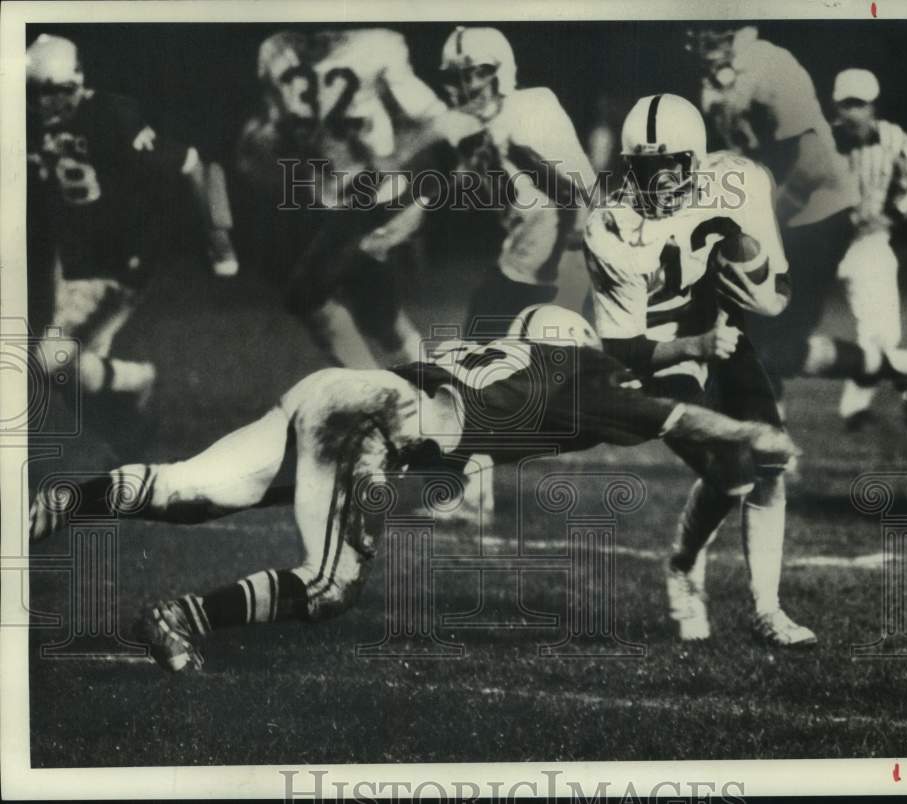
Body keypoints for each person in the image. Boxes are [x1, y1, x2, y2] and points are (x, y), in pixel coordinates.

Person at [29, 306, 797, 672]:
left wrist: (692, 341)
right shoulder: (574, 376)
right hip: (374, 419)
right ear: (578, 348)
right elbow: (674, 412)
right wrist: (752, 434)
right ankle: (179, 616)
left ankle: (56, 504)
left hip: (335, 388)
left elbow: (624, 346)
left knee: (186, 490)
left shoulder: (517, 351)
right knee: (332, 586)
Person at [584, 94, 817, 647]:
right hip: (659, 352)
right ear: (627, 168)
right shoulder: (609, 225)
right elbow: (623, 349)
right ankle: (684, 568)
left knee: (771, 455)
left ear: (696, 161)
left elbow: (777, 292)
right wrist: (699, 344)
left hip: (716, 329)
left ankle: (767, 608)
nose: (658, 182)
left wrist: (761, 292)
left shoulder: (736, 180)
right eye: (644, 169)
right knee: (732, 471)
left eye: (671, 168)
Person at [690, 25, 907, 406]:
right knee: (763, 348)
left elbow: (811, 167)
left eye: (717, 29)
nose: (703, 38)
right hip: (788, 215)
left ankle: (768, 457)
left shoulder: (770, 66)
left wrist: (766, 222)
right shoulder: (719, 81)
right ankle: (898, 365)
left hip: (814, 217)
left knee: (765, 350)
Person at [26, 34, 239, 407]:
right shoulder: (30, 122)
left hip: (116, 261)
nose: (42, 103)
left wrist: (218, 237)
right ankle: (131, 390)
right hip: (74, 258)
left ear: (76, 81)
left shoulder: (112, 116)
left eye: (53, 91)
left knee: (50, 362)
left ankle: (132, 386)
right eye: (34, 92)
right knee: (73, 370)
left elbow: (193, 164)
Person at [237, 29, 466, 368]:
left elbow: (441, 121)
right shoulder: (274, 50)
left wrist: (398, 156)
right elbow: (279, 126)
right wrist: (264, 141)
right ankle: (424, 396)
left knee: (308, 297)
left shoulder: (377, 45)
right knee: (381, 319)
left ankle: (376, 396)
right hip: (323, 198)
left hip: (374, 195)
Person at [439, 26, 598, 340]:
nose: (467, 86)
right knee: (478, 354)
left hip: (562, 262)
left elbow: (581, 192)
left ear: (502, 71)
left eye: (477, 73)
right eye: (456, 77)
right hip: (520, 260)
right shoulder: (466, 126)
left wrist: (567, 270)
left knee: (548, 368)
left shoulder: (532, 107)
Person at [830, 68, 907, 429]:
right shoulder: (822, 140)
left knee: (879, 330)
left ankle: (856, 409)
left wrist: (890, 216)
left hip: (869, 241)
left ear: (872, 107)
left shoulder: (893, 138)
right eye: (846, 105)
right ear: (835, 107)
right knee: (789, 330)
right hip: (823, 246)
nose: (852, 113)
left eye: (860, 105)